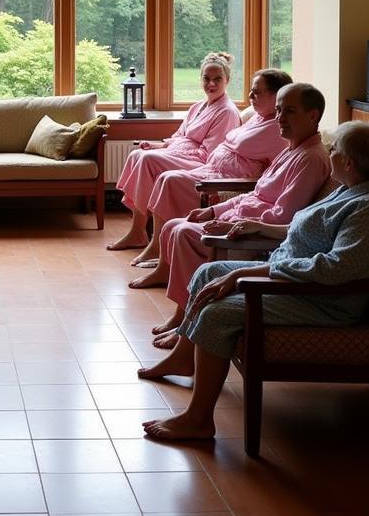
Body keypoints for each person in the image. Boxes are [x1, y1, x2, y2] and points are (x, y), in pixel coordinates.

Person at [138, 121, 369, 443]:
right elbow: (305, 229)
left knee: (216, 313)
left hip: (322, 301)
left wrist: (250, 273)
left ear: (349, 162)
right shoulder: (352, 190)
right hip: (294, 281)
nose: (329, 154)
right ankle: (184, 357)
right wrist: (262, 229)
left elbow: (334, 270)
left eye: (334, 151)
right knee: (207, 272)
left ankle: (198, 420)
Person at [137, 83, 331, 347]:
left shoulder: (310, 158)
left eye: (290, 112)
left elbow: (282, 215)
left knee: (183, 233)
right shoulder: (290, 149)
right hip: (238, 218)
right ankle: (183, 315)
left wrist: (233, 222)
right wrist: (214, 210)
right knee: (173, 225)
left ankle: (186, 322)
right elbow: (256, 192)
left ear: (313, 115)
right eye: (278, 111)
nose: (280, 119)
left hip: (252, 233)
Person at [127, 68, 292, 269]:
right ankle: (156, 246)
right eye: (251, 90)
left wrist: (229, 144)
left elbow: (239, 147)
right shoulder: (257, 117)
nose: (250, 96)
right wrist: (163, 146)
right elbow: (204, 138)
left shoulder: (277, 127)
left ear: (277, 96)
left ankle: (158, 251)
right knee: (161, 174)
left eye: (256, 92)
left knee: (168, 178)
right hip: (211, 168)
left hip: (224, 179)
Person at [108, 52, 242, 251]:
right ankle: (137, 231)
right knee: (138, 154)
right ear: (200, 79)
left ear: (227, 80)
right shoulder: (198, 106)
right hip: (183, 154)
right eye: (206, 78)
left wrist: (170, 153)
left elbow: (210, 154)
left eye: (217, 79)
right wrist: (161, 146)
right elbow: (180, 135)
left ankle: (138, 233)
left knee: (148, 160)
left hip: (201, 163)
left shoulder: (227, 112)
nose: (211, 84)